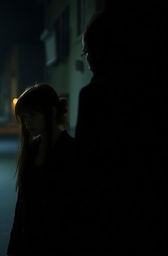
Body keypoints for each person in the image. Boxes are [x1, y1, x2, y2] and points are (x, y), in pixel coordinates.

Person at [76, 10, 166, 252]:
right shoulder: (150, 90)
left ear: (99, 51)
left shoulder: (94, 95)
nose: (87, 59)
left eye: (87, 51)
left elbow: (86, 164)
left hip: (108, 211)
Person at [7, 83, 81, 255]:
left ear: (52, 112)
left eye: (32, 115)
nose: (27, 123)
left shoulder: (72, 151)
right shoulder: (31, 149)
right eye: (24, 118)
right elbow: (22, 207)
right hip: (29, 243)